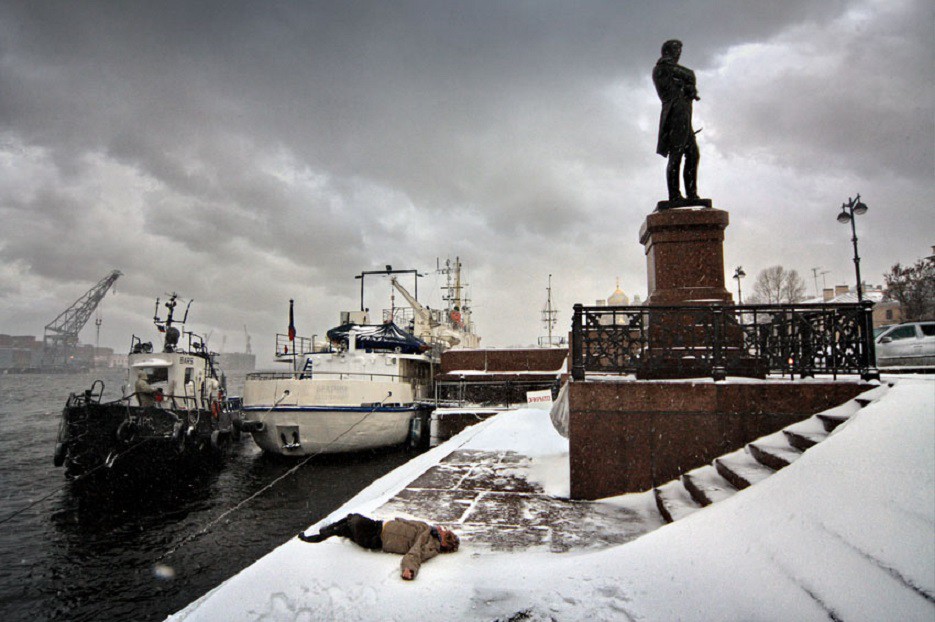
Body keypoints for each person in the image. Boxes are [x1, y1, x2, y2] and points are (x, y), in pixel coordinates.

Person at [298, 513, 460, 580]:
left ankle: (318, 536)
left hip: (377, 538)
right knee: (350, 520)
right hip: (380, 526)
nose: (442, 528)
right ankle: (324, 531)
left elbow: (415, 554)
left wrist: (409, 570)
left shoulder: (431, 544)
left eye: (446, 533)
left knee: (353, 522)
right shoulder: (427, 529)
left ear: (445, 542)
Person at [652, 39, 700, 202]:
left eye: (679, 50)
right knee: (677, 154)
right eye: (676, 50)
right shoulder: (662, 68)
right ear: (667, 51)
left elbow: (687, 80)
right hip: (675, 116)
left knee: (693, 154)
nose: (678, 53)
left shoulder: (673, 71)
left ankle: (691, 194)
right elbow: (688, 75)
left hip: (684, 117)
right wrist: (689, 83)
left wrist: (689, 88)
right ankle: (674, 195)